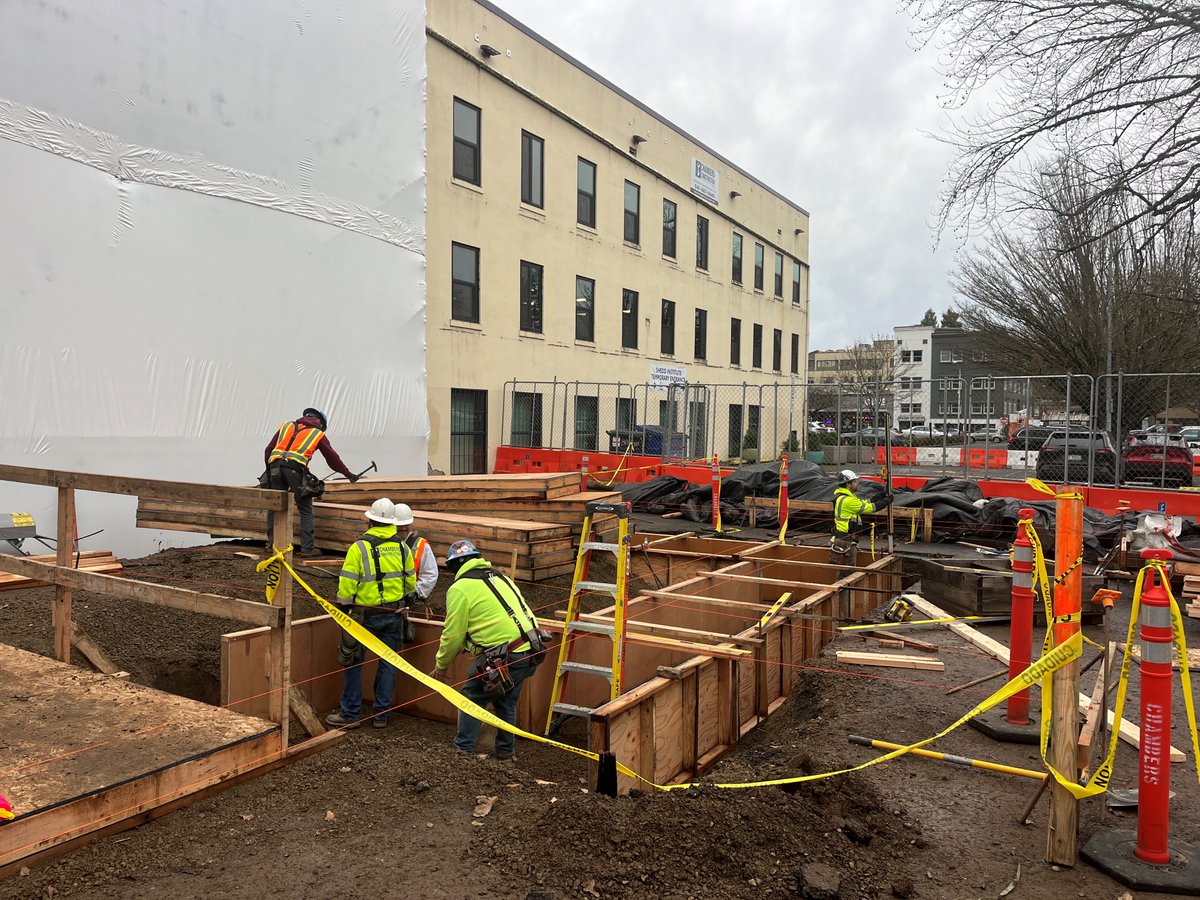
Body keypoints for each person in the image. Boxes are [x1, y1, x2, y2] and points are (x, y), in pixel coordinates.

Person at [430, 540, 542, 761]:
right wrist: (472, 643)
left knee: (471, 698)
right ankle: (505, 753)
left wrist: (441, 665)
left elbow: (453, 634)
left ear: (453, 565)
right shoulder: (501, 578)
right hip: (530, 649)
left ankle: (462, 752)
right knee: (506, 701)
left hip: (505, 655)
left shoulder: (460, 588)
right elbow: (496, 617)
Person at [325, 498, 417, 730]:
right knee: (388, 663)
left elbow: (347, 583)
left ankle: (350, 714)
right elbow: (410, 582)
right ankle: (381, 715)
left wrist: (343, 607)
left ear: (370, 521)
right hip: (394, 613)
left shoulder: (359, 548)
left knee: (353, 662)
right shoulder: (403, 548)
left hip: (363, 616)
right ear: (392, 523)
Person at [262, 407, 359, 558]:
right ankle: (307, 549)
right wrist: (348, 474)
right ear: (319, 422)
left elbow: (268, 450)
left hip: (275, 467)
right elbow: (332, 458)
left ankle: (271, 545)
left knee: (275, 506)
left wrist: (269, 471)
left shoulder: (287, 426)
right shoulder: (317, 433)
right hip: (294, 470)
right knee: (305, 509)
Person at [830, 469, 889, 566]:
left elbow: (863, 503)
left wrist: (880, 496)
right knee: (847, 571)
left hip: (844, 539)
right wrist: (886, 502)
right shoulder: (847, 500)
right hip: (845, 541)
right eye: (855, 481)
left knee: (846, 570)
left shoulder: (846, 498)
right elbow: (869, 508)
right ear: (848, 484)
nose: (857, 483)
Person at [393, 503, 438, 611]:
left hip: (411, 602)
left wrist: (416, 593)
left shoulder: (420, 545)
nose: (404, 528)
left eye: (406, 524)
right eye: (400, 525)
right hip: (388, 599)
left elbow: (430, 574)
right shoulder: (383, 544)